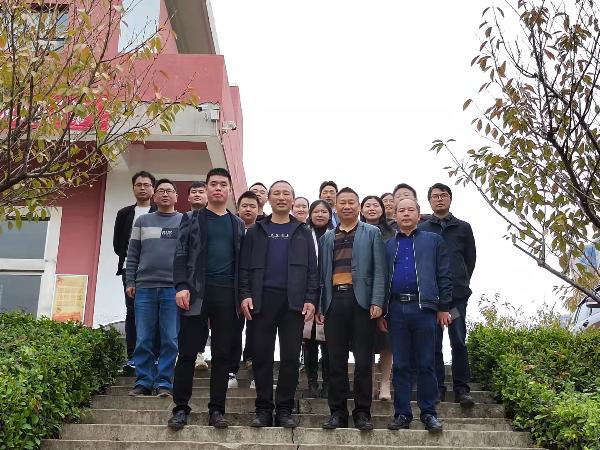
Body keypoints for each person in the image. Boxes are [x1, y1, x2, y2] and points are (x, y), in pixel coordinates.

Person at [168, 168, 245, 430]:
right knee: (188, 352)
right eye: (213, 184)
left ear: (230, 190)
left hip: (227, 295)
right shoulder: (191, 218)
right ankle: (180, 408)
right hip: (196, 293)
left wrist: (243, 295)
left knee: (222, 355)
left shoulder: (237, 224)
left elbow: (242, 264)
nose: (218, 188)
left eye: (223, 184)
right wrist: (181, 286)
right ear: (207, 188)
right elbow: (180, 254)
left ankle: (217, 410)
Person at [239, 180, 319, 428]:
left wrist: (311, 298)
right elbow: (244, 267)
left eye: (286, 193)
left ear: (293, 199)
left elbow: (313, 269)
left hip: (293, 303)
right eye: (276, 193)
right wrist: (245, 294)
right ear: (268, 199)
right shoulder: (256, 230)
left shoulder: (303, 231)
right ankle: (263, 408)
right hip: (261, 301)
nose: (281, 197)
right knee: (261, 356)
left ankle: (284, 409)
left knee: (290, 357)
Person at [316, 187, 386, 431]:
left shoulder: (372, 233)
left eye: (351, 202)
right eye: (342, 203)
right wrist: (321, 304)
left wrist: (377, 301)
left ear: (358, 206)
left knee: (364, 361)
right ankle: (337, 413)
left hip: (362, 303)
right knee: (335, 361)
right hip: (335, 301)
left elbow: (380, 270)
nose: (347, 206)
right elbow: (322, 275)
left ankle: (363, 412)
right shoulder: (327, 238)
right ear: (335, 207)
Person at [382, 197, 452, 433]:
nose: (405, 214)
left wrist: (444, 307)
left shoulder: (433, 240)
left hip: (425, 309)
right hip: (396, 310)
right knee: (401, 365)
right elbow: (382, 278)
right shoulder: (388, 245)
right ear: (395, 215)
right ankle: (402, 413)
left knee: (426, 363)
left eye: (410, 210)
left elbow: (444, 274)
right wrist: (382, 310)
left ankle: (429, 413)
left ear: (418, 214)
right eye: (401, 210)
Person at [419, 183, 477, 406]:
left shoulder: (463, 227)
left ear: (450, 199)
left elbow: (470, 260)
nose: (439, 199)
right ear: (429, 201)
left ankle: (462, 389)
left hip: (456, 297)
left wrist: (461, 281)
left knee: (458, 341)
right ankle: (437, 388)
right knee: (433, 343)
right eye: (435, 196)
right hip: (431, 297)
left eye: (443, 195)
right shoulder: (423, 229)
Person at [125, 179, 182, 397]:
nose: (165, 194)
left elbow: (189, 256)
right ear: (154, 196)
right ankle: (143, 382)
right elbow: (133, 254)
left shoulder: (184, 221)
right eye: (161, 191)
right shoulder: (142, 221)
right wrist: (131, 281)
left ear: (176, 196)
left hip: (172, 288)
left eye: (169, 191)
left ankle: (164, 382)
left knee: (170, 338)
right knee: (143, 338)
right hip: (145, 288)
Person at [113, 171, 157, 368]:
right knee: (132, 311)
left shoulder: (159, 211)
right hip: (129, 270)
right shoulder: (124, 214)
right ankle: (132, 355)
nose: (142, 188)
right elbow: (118, 244)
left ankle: (153, 354)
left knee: (154, 312)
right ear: (133, 188)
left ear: (153, 189)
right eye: (138, 185)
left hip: (154, 271)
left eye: (146, 185)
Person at [360, 195, 395, 402]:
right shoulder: (356, 231)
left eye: (376, 205)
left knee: (386, 341)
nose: (372, 208)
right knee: (364, 340)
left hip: (388, 290)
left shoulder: (392, 233)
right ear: (361, 210)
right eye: (368, 205)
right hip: (362, 292)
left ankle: (385, 383)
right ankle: (370, 382)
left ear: (382, 210)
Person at [230, 190, 260, 388]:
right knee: (232, 330)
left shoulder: (263, 231)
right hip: (232, 287)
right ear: (238, 208)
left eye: (252, 206)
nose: (248, 209)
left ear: (259, 209)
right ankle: (231, 371)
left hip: (257, 288)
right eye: (244, 206)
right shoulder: (231, 228)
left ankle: (256, 374)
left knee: (257, 331)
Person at [303, 199, 333, 398]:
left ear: (330, 215)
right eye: (316, 211)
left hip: (330, 293)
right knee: (309, 340)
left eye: (324, 211)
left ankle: (329, 382)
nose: (320, 215)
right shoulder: (304, 234)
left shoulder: (336, 234)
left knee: (329, 342)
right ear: (310, 214)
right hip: (307, 292)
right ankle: (312, 381)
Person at [185, 181, 210, 370]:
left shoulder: (213, 220)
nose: (197, 194)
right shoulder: (182, 218)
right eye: (194, 192)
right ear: (187, 197)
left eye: (201, 191)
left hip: (204, 280)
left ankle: (199, 354)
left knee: (201, 320)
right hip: (183, 278)